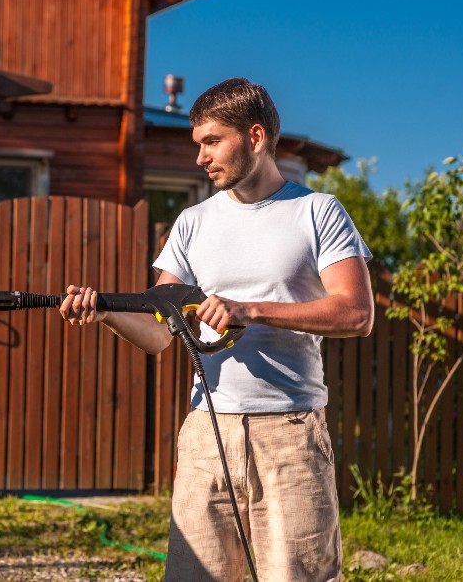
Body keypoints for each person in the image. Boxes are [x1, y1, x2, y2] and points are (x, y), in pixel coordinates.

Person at [59, 78, 374, 581]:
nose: (200, 158)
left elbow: (356, 313)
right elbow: (161, 333)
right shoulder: (192, 223)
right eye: (197, 145)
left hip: (290, 434)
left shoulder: (317, 212)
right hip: (207, 432)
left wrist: (251, 310)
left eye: (212, 142)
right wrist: (106, 314)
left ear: (254, 137)